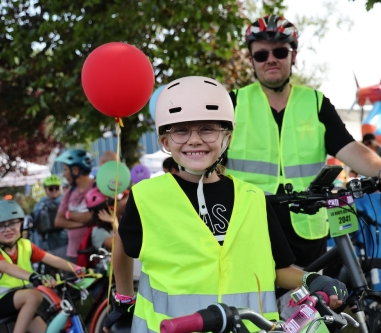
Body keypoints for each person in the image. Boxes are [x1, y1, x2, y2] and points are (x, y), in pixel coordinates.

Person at [103, 76, 349, 332]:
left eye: (208, 129)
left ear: (228, 138)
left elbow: (276, 269)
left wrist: (311, 279)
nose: (194, 140)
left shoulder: (253, 199)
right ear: (165, 142)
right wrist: (123, 299)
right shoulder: (147, 197)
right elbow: (124, 241)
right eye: (180, 130)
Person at [226, 14, 381, 269]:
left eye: (280, 52)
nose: (271, 59)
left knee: (311, 304)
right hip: (251, 223)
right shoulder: (232, 103)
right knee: (256, 305)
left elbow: (348, 146)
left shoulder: (315, 102)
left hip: (307, 222)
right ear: (251, 61)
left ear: (294, 56)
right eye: (261, 55)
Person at [0, 200, 85, 333]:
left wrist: (80, 270)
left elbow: (53, 259)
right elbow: (7, 267)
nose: (8, 230)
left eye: (13, 223)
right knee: (34, 296)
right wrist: (33, 276)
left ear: (21, 224)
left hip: (21, 301)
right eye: (0, 226)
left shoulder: (25, 245)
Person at [54, 149, 95, 263]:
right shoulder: (70, 192)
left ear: (76, 170)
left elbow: (91, 217)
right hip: (73, 253)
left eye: (66, 170)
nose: (64, 174)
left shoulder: (96, 188)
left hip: (94, 254)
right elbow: (58, 221)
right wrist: (82, 223)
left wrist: (68, 214)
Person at [31, 175, 68, 260]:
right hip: (45, 244)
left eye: (57, 188)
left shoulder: (65, 201)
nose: (54, 191)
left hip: (63, 242)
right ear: (45, 189)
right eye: (51, 188)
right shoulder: (40, 204)